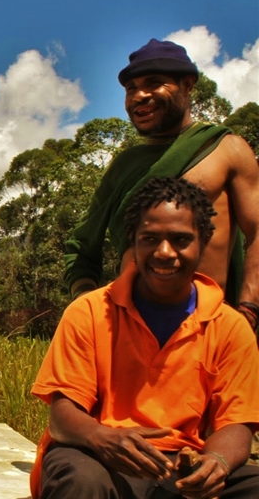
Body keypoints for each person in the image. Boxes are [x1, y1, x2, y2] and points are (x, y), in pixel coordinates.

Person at [24, 177, 259, 499]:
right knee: (82, 483)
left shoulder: (229, 326)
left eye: (180, 240)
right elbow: (63, 417)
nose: (164, 252)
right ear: (132, 242)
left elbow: (237, 422)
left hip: (179, 477)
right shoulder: (89, 312)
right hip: (100, 463)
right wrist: (103, 437)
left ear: (202, 242)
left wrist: (215, 463)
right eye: (150, 239)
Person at [63, 39, 259, 336]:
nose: (140, 96)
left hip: (212, 332)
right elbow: (81, 246)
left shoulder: (226, 149)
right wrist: (86, 303)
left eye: (154, 83)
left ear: (188, 85)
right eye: (131, 89)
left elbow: (257, 231)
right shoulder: (124, 166)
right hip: (130, 334)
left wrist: (248, 311)